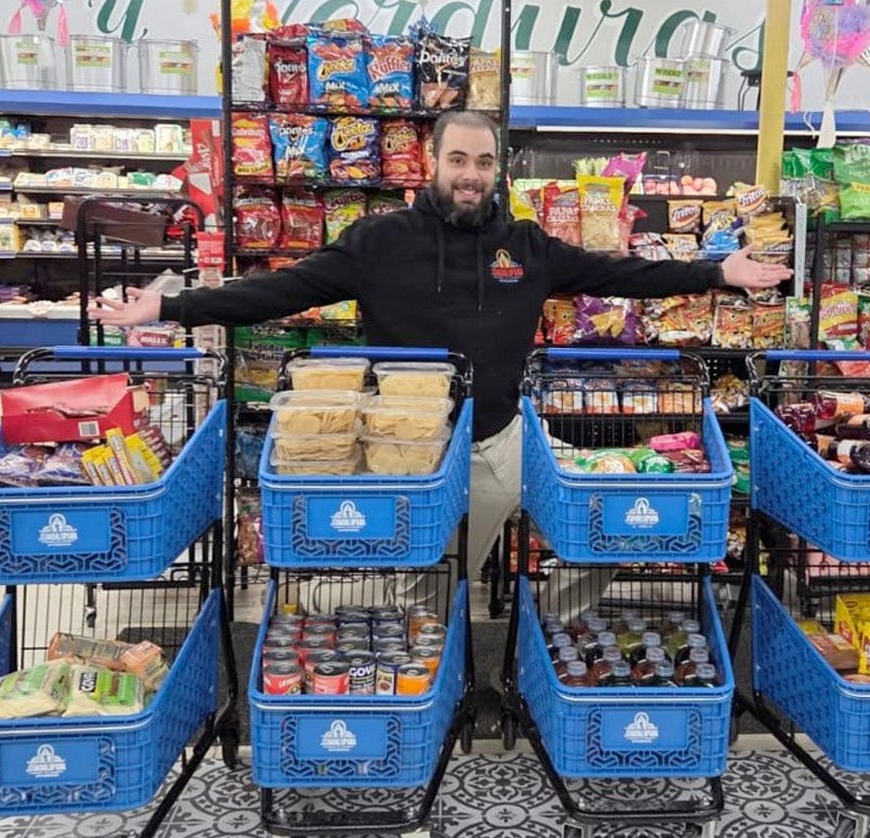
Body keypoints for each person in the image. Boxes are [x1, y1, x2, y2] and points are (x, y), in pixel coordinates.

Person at [93, 110, 792, 607]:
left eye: (483, 162)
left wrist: (716, 271)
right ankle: (438, 682)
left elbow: (621, 274)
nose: (470, 174)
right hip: (413, 453)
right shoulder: (377, 243)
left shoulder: (527, 245)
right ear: (433, 164)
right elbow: (276, 291)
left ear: (496, 170)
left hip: (503, 440)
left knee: (608, 528)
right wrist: (167, 307)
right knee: (428, 590)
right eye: (457, 160)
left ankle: (547, 633)